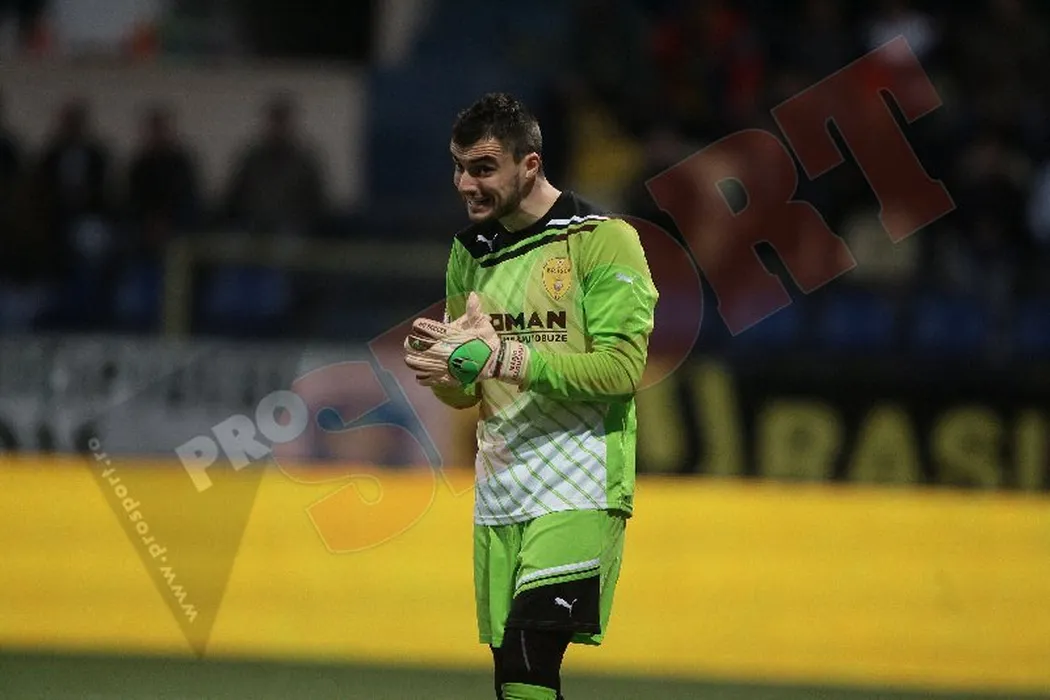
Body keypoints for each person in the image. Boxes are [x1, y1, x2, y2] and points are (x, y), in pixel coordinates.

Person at [402, 92, 659, 700]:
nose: (466, 184)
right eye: (459, 167)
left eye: (484, 168)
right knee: (515, 681)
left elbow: (622, 369)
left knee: (527, 661)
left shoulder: (602, 239)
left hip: (580, 481)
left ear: (530, 165)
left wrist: (506, 357)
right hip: (502, 488)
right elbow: (470, 390)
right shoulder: (469, 253)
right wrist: (449, 375)